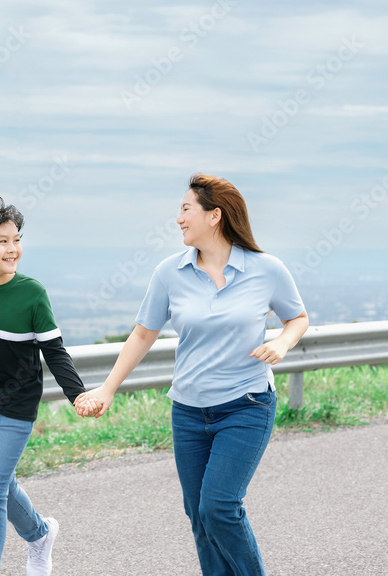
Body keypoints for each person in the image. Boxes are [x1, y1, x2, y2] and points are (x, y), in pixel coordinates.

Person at [75, 174, 309, 576]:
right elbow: (143, 333)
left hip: (246, 405)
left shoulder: (266, 268)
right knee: (199, 517)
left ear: (214, 215)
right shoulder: (170, 272)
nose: (179, 219)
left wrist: (282, 344)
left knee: (219, 507)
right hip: (188, 412)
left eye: (186, 209)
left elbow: (298, 318)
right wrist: (108, 389)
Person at [0, 196, 90, 576]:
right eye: (2, 241)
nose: (13, 249)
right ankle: (40, 535)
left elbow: (55, 352)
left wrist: (77, 395)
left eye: (16, 239)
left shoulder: (31, 293)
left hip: (15, 404)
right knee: (0, 485)